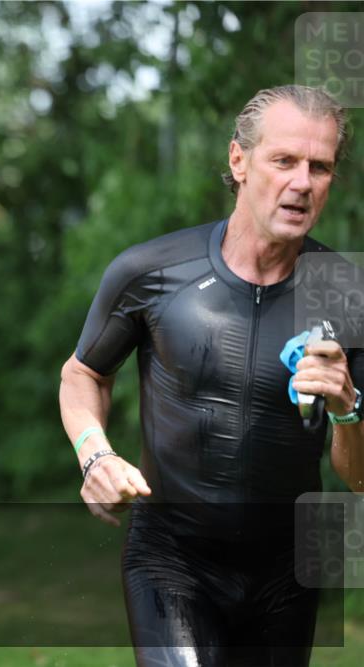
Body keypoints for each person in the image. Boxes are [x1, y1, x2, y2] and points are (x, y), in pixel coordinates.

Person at [59, 85, 364, 666]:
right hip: (172, 557)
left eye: (319, 167)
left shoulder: (349, 295)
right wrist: (94, 454)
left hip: (287, 570)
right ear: (238, 160)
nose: (302, 182)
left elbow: (361, 478)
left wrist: (348, 410)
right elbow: (83, 373)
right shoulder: (152, 271)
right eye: (284, 161)